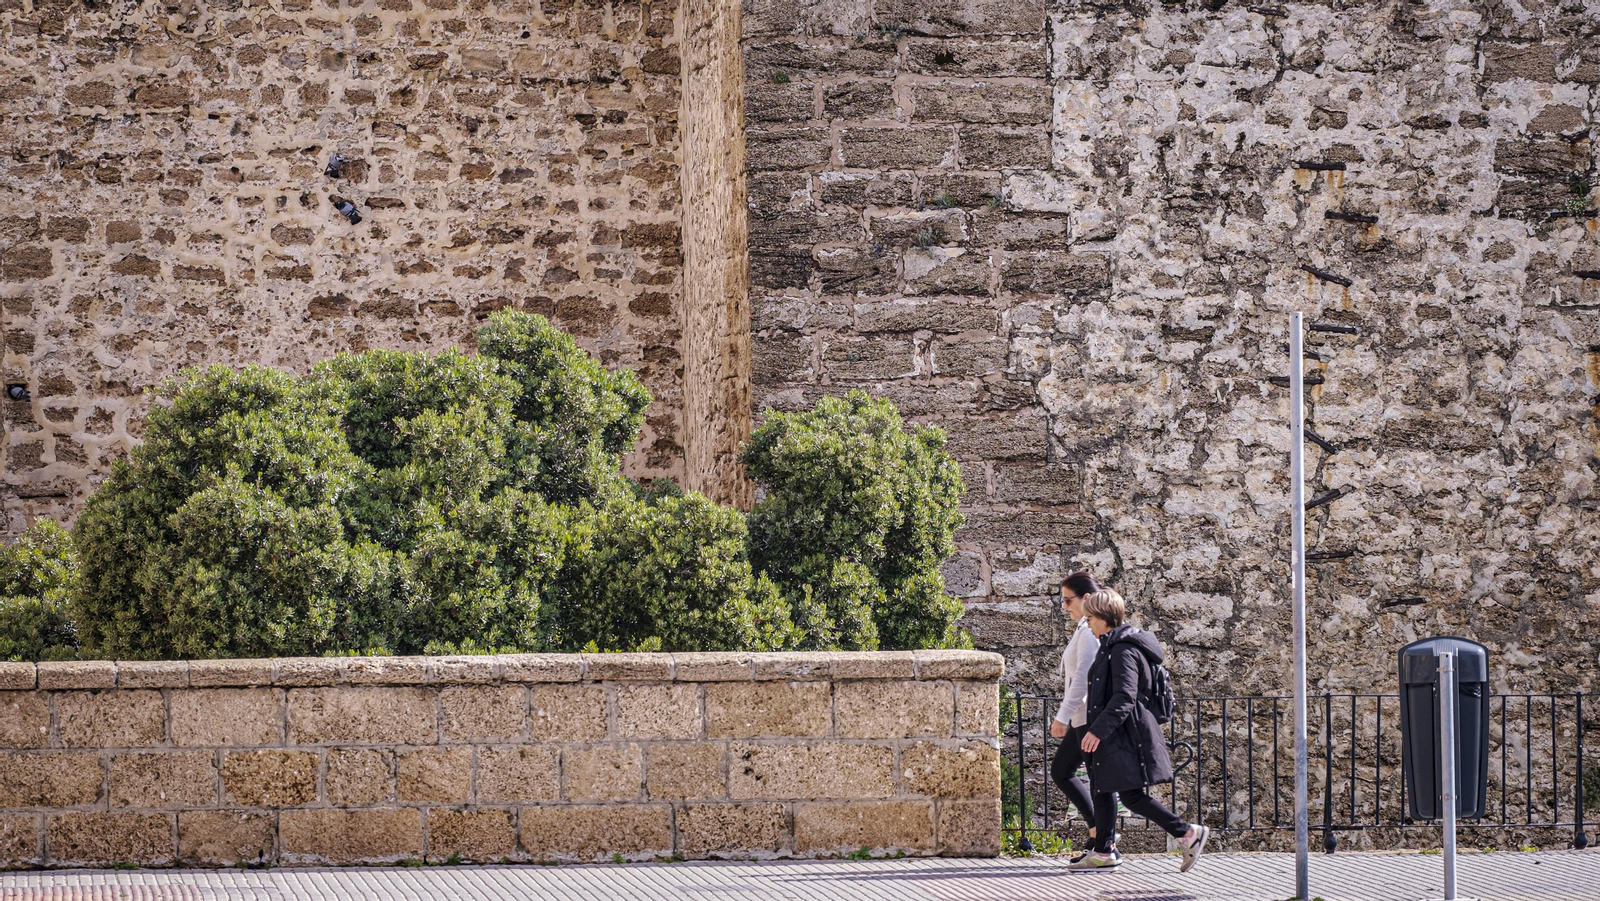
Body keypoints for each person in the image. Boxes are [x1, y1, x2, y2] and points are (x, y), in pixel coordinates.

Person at [1069, 588, 1209, 873]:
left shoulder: (1123, 650)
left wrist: (1096, 731)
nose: (1088, 624)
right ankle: (1103, 851)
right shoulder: (1111, 646)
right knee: (1102, 787)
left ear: (1103, 618)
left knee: (1131, 796)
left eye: (1091, 618)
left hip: (1126, 734)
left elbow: (1124, 697)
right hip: (1116, 733)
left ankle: (1187, 833)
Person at [1048, 571, 1110, 861]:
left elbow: (1084, 680)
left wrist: (1062, 716)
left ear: (1087, 598)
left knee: (1097, 783)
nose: (1065, 606)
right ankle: (1099, 832)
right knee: (1063, 771)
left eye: (1068, 600)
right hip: (1080, 719)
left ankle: (1103, 840)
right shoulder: (1083, 629)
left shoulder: (1088, 634)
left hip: (1085, 719)